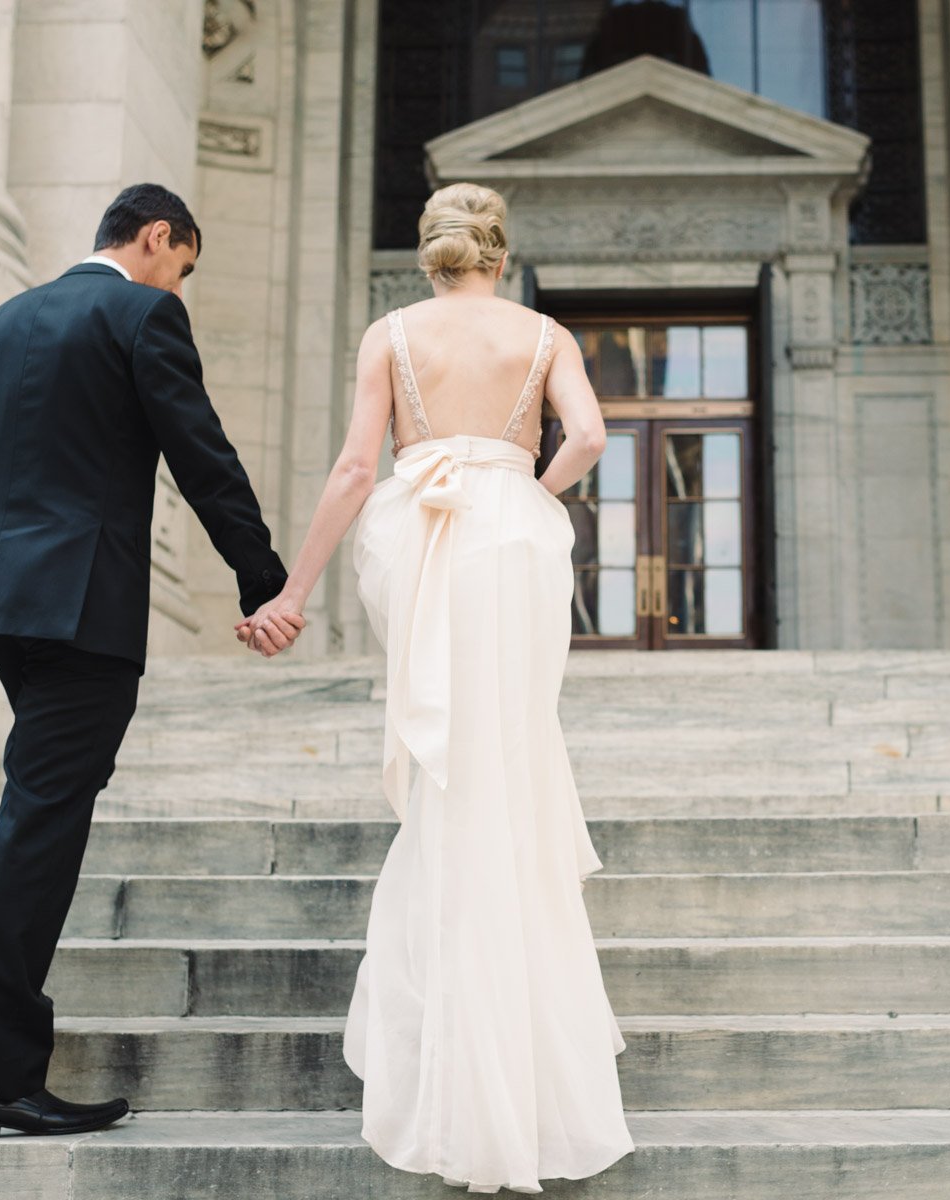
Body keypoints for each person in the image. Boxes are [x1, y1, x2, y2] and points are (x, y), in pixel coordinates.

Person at [0, 182, 304, 1141]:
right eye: (185, 266)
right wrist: (263, 579)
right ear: (157, 237)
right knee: (45, 819)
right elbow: (201, 455)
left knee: (41, 793)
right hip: (82, 607)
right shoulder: (142, 312)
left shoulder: (3, 327)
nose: (183, 288)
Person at [235, 181, 634, 1193]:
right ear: (501, 253)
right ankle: (529, 1071)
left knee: (445, 763)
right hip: (512, 539)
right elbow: (588, 438)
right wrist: (521, 490)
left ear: (430, 255)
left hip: (421, 537)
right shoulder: (544, 335)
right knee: (509, 757)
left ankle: (449, 1065)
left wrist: (292, 591)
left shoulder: (391, 334)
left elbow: (351, 470)